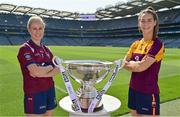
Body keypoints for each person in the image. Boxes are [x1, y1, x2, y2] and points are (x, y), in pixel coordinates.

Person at [123, 7, 164, 116]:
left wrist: (131, 64)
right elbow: (124, 63)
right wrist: (136, 65)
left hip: (148, 92)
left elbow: (141, 67)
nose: (146, 23)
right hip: (133, 89)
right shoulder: (135, 44)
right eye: (143, 20)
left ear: (155, 22)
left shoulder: (157, 44)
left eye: (149, 20)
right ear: (139, 23)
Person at [17, 15, 60, 117]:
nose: (38, 31)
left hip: (49, 90)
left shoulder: (47, 50)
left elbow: (58, 69)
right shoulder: (25, 49)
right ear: (29, 30)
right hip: (34, 92)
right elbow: (35, 71)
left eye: (40, 28)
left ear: (44, 29)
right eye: (34, 28)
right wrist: (50, 67)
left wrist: (42, 73)